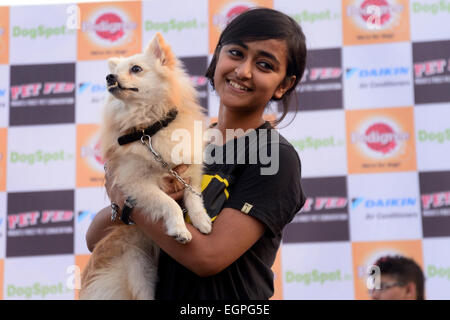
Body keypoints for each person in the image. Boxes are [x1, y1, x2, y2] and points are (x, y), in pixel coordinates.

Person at [86, 7, 307, 300]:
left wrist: (130, 203)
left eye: (265, 65)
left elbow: (209, 258)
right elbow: (95, 237)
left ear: (284, 85)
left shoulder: (273, 157)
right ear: (217, 58)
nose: (243, 71)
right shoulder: (182, 139)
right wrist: (124, 202)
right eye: (236, 53)